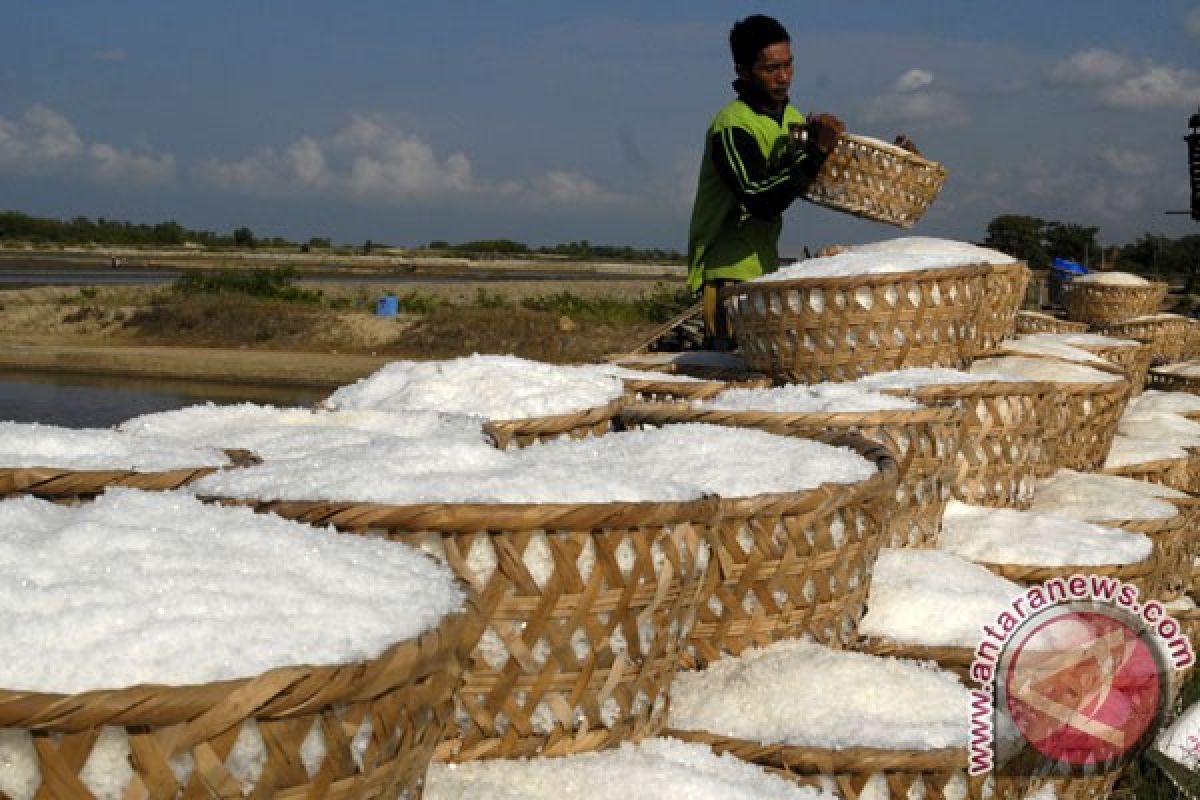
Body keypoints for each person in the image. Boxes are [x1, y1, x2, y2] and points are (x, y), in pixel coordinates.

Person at [686, 14, 844, 350]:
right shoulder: (731, 127)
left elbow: (818, 179)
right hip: (728, 274)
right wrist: (815, 152)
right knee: (732, 375)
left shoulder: (793, 120)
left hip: (766, 269)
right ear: (743, 71)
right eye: (771, 69)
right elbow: (759, 199)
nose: (783, 77)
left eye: (788, 65)